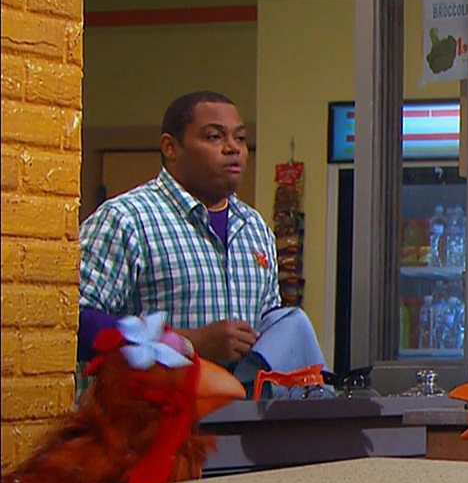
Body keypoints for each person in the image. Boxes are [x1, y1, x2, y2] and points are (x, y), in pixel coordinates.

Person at [77, 91, 324, 389]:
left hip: (241, 413)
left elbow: (266, 326)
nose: (233, 148)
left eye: (240, 138)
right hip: (150, 413)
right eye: (214, 137)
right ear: (170, 147)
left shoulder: (255, 228)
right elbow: (75, 323)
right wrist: (185, 342)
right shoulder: (126, 220)